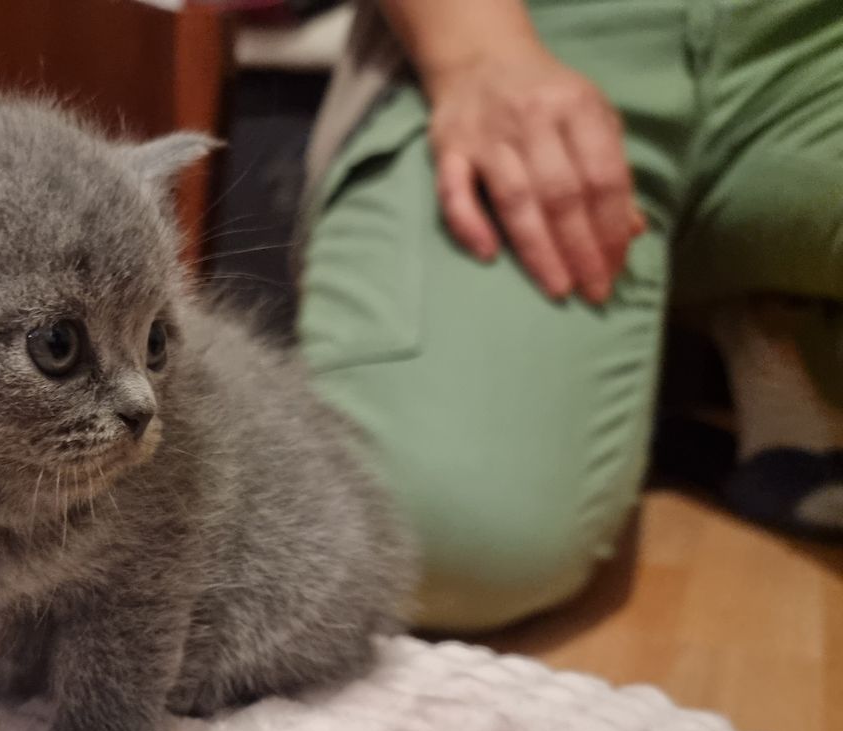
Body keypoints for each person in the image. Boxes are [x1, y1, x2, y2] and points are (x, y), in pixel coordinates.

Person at [298, 0, 843, 631]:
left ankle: (733, 330)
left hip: (810, 47)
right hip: (528, 27)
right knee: (436, 535)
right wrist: (477, 52)